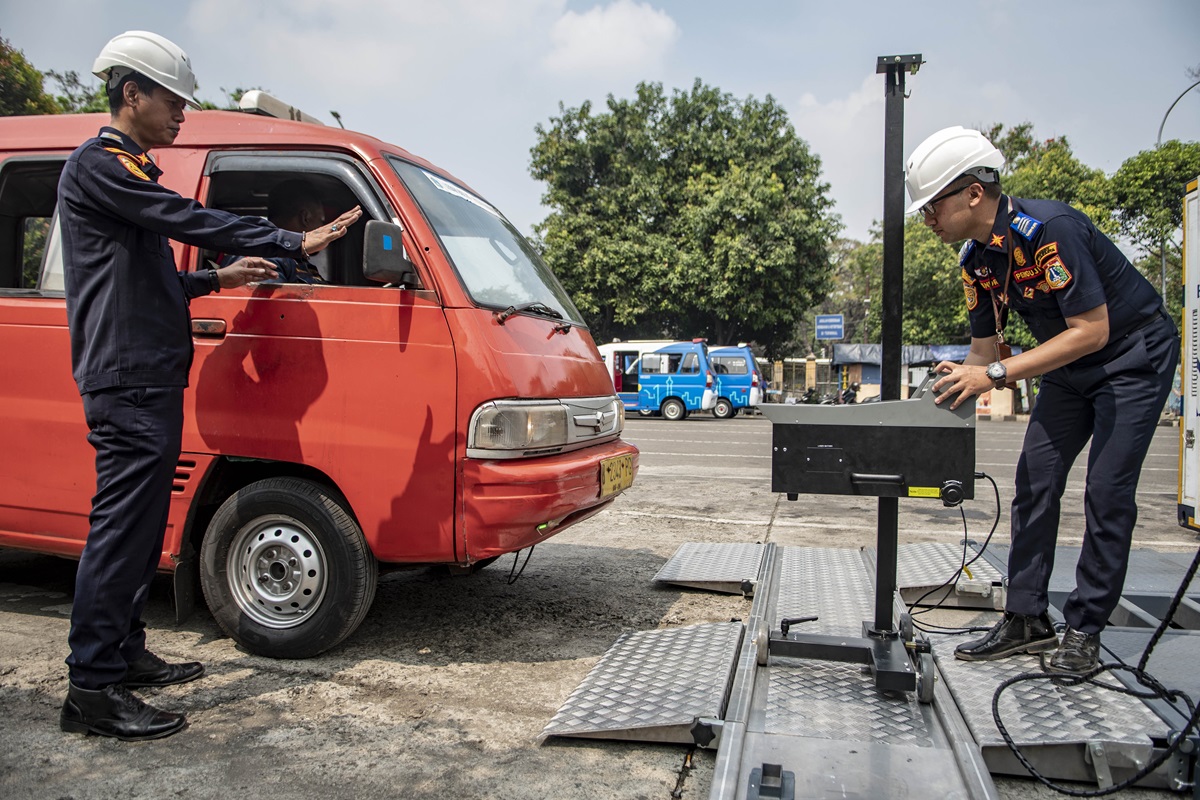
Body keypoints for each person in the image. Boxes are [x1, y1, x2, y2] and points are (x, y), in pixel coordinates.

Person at [57, 30, 362, 741]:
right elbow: (186, 219)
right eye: (172, 100)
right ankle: (93, 690)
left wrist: (214, 279)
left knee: (139, 531)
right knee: (121, 530)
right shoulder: (101, 166)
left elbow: (146, 278)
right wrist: (288, 240)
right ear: (131, 93)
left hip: (147, 374)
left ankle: (124, 655)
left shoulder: (126, 171)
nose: (182, 114)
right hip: (126, 376)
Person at [908, 126, 1178, 675]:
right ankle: (1027, 617)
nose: (928, 219)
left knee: (1105, 492)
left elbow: (1092, 330)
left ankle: (1085, 629)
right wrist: (963, 375)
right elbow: (984, 352)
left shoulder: (1050, 230)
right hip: (1067, 365)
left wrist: (999, 373)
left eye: (933, 205)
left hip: (1129, 357)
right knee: (1035, 479)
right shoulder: (976, 261)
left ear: (974, 193)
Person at [221, 179, 329, 284]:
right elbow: (271, 301)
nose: (322, 227)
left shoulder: (293, 260)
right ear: (305, 218)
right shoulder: (267, 258)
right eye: (321, 221)